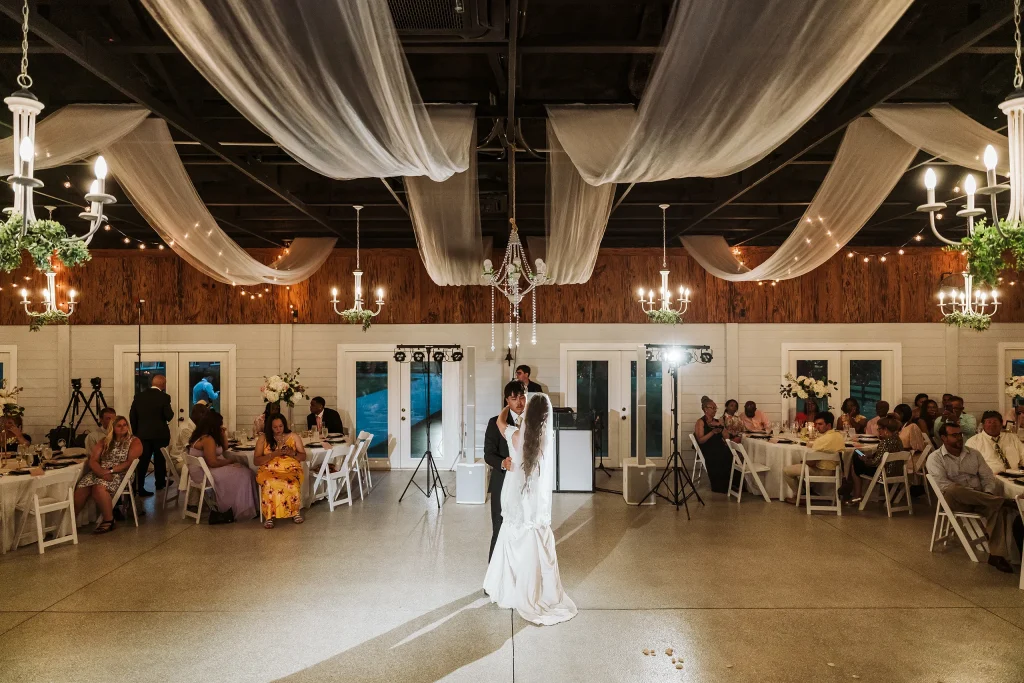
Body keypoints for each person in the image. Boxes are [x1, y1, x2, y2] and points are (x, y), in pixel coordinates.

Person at [483, 393, 577, 626]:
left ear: (528, 413)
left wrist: (507, 407)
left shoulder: (516, 436)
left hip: (516, 496)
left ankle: (510, 586)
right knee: (532, 534)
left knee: (512, 532)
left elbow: (499, 423)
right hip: (535, 499)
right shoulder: (545, 438)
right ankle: (540, 589)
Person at [926, 422, 1018, 573]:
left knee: (995, 509)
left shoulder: (974, 454)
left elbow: (988, 477)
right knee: (954, 489)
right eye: (954, 435)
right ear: (943, 437)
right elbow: (943, 486)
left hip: (980, 497)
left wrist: (987, 493)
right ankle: (1002, 501)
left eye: (960, 434)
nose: (959, 438)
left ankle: (996, 555)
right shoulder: (935, 458)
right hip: (955, 500)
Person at [74, 415, 142, 534]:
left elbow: (129, 462)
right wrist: (101, 471)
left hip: (121, 473)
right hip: (101, 471)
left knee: (99, 487)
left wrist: (110, 470)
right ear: (113, 428)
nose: (122, 428)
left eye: (125, 425)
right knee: (81, 487)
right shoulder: (105, 441)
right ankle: (71, 520)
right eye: (119, 426)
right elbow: (93, 460)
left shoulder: (134, 441)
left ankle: (109, 520)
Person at [188, 411, 258, 520]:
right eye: (220, 423)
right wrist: (230, 462)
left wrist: (222, 434)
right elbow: (213, 462)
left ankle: (246, 506)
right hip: (205, 474)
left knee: (244, 471)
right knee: (245, 474)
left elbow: (224, 448)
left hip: (205, 469)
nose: (221, 425)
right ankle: (239, 508)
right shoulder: (207, 439)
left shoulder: (203, 435)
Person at [484, 381, 526, 560]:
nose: (519, 402)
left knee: (523, 528)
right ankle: (493, 579)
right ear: (506, 400)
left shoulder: (534, 421)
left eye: (522, 397)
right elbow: (488, 454)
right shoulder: (495, 422)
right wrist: (503, 463)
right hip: (502, 482)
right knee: (500, 526)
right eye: (514, 398)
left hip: (526, 484)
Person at [254, 414, 306, 528]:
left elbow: (303, 456)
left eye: (281, 426)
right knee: (270, 482)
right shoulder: (263, 438)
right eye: (275, 427)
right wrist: (274, 454)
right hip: (269, 469)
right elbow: (256, 461)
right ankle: (269, 516)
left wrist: (292, 453)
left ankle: (295, 512)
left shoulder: (293, 436)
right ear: (270, 427)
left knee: (291, 482)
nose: (278, 430)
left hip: (291, 468)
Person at [782, 411, 845, 504]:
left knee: (786, 471)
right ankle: (806, 492)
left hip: (822, 471)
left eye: (820, 424)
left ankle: (801, 496)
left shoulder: (821, 440)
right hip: (835, 471)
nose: (817, 427)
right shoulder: (839, 436)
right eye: (816, 424)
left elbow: (811, 462)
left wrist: (802, 461)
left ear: (828, 425)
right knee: (803, 467)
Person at [129, 374, 173, 497]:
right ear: (163, 385)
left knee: (142, 461)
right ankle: (160, 482)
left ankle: (139, 487)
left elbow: (132, 415)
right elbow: (168, 416)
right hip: (160, 434)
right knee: (160, 459)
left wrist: (136, 432)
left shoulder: (139, 396)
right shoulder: (164, 397)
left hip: (142, 435)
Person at [848, 416, 905, 503]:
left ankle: (857, 495)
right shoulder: (898, 440)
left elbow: (874, 463)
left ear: (885, 429)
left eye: (879, 429)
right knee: (858, 458)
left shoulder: (885, 442)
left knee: (855, 460)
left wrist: (864, 459)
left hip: (883, 474)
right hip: (897, 472)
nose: (878, 431)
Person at [694, 396, 735, 494]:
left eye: (715, 408)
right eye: (712, 408)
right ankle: (720, 485)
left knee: (732, 453)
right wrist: (712, 432)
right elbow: (700, 440)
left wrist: (723, 428)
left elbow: (726, 436)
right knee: (722, 455)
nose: (715, 410)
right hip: (708, 448)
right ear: (705, 409)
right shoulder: (701, 422)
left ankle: (732, 483)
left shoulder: (717, 421)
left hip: (718, 446)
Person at [965, 410, 1024, 476]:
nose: (992, 424)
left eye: (995, 422)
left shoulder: (1012, 437)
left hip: (1015, 475)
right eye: (989, 422)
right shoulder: (973, 442)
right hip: (989, 478)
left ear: (1001, 424)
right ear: (983, 425)